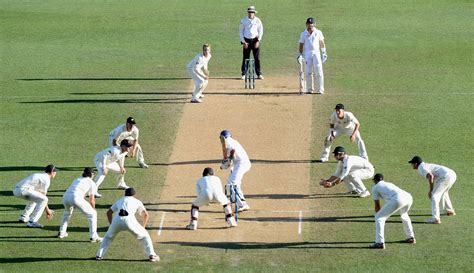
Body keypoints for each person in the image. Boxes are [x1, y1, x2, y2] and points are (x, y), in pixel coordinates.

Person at [96, 188, 159, 262]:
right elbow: (146, 214)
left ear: (125, 194)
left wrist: (111, 224)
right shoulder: (137, 201)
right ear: (134, 195)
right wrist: (143, 227)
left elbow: (109, 213)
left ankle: (99, 256)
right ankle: (152, 255)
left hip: (117, 221)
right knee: (145, 236)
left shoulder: (119, 200)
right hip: (130, 221)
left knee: (107, 237)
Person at [369, 173, 416, 249]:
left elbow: (377, 205)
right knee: (404, 215)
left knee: (379, 218)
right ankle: (411, 238)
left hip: (398, 199)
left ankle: (379, 243)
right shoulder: (388, 184)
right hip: (408, 197)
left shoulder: (375, 187)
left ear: (375, 181)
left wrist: (377, 214)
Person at [58, 167, 102, 242]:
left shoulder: (77, 179)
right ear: (91, 174)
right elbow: (92, 199)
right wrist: (93, 209)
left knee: (67, 213)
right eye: (93, 174)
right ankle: (94, 237)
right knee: (93, 214)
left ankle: (62, 232)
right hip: (75, 197)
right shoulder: (91, 183)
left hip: (66, 196)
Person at [408, 156, 457, 224]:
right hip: (452, 174)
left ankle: (436, 219)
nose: (411, 165)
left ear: (416, 164)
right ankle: (449, 211)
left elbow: (430, 176)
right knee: (444, 193)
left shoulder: (421, 168)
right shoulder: (425, 165)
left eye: (412, 163)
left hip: (446, 176)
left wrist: (431, 190)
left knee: (434, 196)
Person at [219, 130, 251, 211]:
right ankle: (235, 199)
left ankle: (242, 204)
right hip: (239, 164)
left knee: (233, 183)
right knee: (230, 182)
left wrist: (224, 165)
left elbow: (231, 157)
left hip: (242, 164)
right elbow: (231, 158)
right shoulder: (231, 142)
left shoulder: (229, 144)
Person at [298, 17, 327, 94]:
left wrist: (323, 52)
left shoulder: (318, 32)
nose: (310, 26)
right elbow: (301, 44)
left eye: (311, 24)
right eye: (309, 24)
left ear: (314, 24)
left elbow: (321, 42)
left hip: (316, 53)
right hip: (307, 54)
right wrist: (300, 54)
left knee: (319, 71)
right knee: (308, 72)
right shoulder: (303, 34)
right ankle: (309, 89)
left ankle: (321, 89)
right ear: (306, 25)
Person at [239, 5, 264, 80]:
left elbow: (261, 30)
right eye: (249, 12)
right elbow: (241, 31)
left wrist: (258, 40)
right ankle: (244, 74)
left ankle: (259, 74)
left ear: (254, 13)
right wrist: (243, 42)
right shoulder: (243, 20)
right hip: (246, 41)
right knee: (245, 58)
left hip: (255, 40)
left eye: (252, 12)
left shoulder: (258, 20)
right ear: (248, 12)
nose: (250, 13)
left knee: (257, 58)